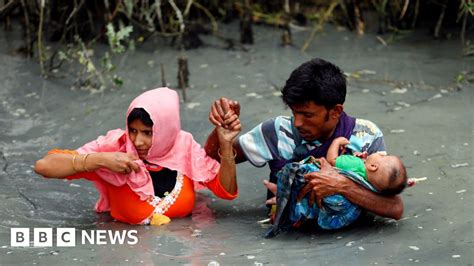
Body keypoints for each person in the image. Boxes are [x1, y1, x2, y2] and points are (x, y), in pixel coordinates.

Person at [205, 58, 404, 224]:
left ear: (335, 111)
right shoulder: (276, 131)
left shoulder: (366, 136)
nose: (298, 122)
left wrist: (341, 185)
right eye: (294, 112)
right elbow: (211, 157)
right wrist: (222, 133)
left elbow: (395, 208)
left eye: (307, 115)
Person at [34, 87, 241, 225]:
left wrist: (225, 143)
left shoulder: (184, 148)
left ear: (166, 130)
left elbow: (226, 192)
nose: (137, 141)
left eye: (148, 133)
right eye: (133, 130)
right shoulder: (114, 148)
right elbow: (43, 166)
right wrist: (101, 160)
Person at [327, 137, 408, 195]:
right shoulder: (370, 188)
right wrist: (364, 161)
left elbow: (332, 161)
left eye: (382, 156)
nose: (380, 153)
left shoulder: (356, 164)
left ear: (373, 166)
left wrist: (336, 142)